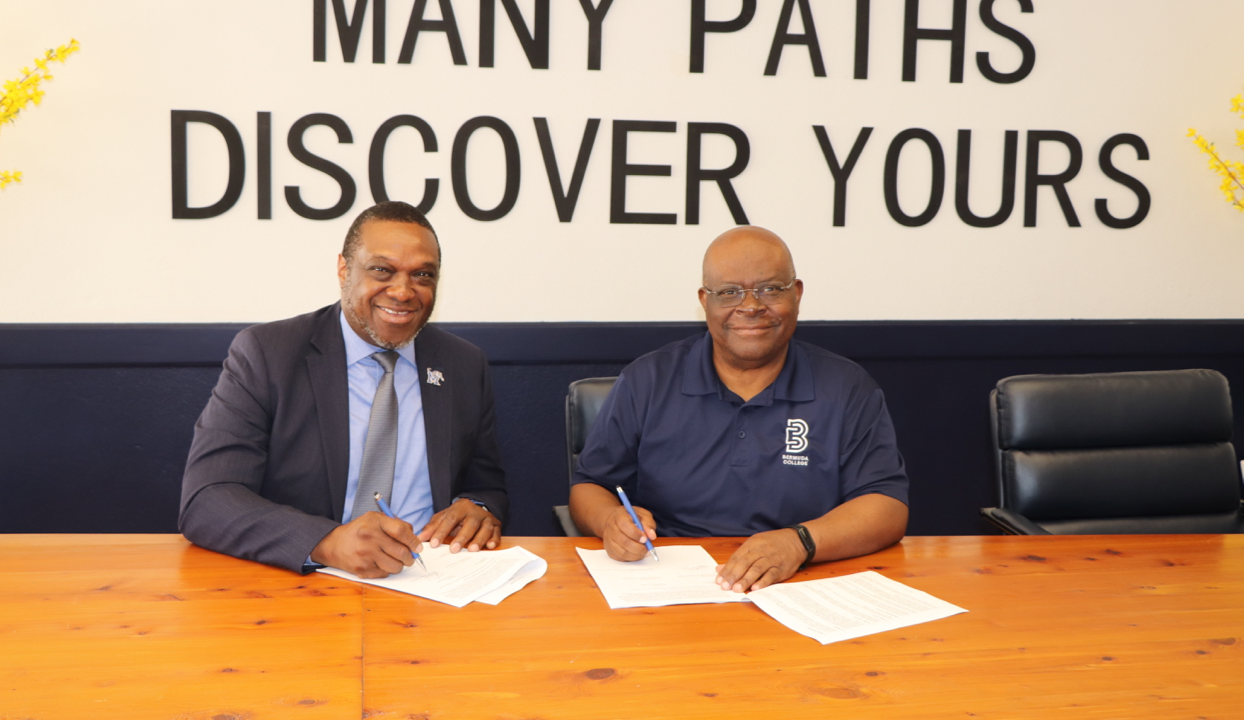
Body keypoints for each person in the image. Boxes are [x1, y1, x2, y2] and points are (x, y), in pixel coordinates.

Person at [569, 225, 908, 592]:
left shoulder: (846, 386)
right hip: (668, 582)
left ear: (796, 294)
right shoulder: (648, 380)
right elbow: (589, 486)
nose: (750, 306)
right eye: (730, 292)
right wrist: (610, 522)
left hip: (805, 579)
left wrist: (799, 542)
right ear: (704, 300)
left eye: (770, 289)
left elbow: (886, 506)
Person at [180, 201, 506, 577]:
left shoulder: (463, 364)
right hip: (306, 583)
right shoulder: (268, 354)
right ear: (343, 270)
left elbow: (487, 485)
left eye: (422, 275)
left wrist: (478, 506)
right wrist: (327, 541)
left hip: (432, 581)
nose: (403, 292)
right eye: (382, 270)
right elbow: (207, 499)